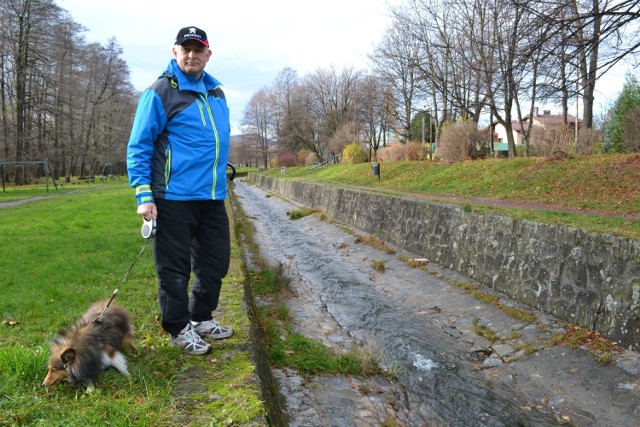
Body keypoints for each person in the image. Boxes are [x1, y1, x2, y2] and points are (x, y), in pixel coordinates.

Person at [126, 26, 232, 355]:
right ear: (175, 52)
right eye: (185, 49)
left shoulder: (216, 93)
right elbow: (138, 147)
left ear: (208, 54)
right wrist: (144, 196)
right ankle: (178, 328)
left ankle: (201, 317)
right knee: (174, 270)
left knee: (215, 263)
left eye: (198, 50)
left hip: (212, 197)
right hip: (172, 199)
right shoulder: (159, 92)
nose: (191, 55)